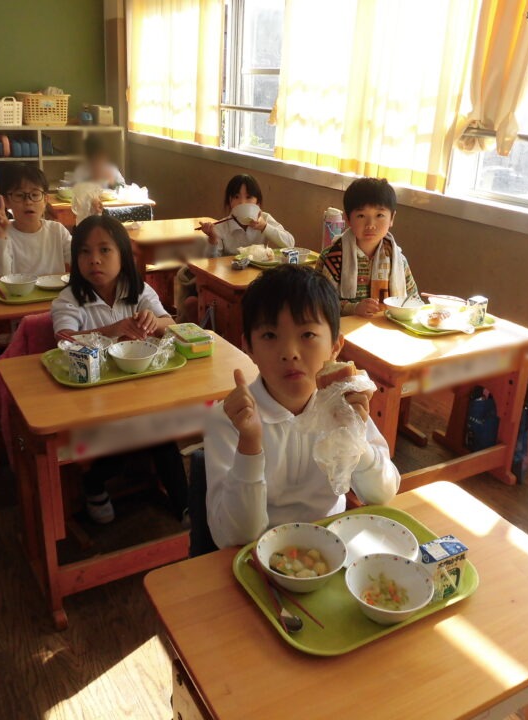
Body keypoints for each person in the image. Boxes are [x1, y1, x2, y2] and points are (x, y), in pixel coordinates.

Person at [203, 264, 400, 548]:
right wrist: (250, 444)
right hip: (259, 553)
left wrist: (354, 435)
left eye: (307, 335)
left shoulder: (341, 403)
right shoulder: (228, 420)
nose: (290, 353)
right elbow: (233, 538)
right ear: (249, 348)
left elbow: (383, 493)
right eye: (270, 336)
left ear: (335, 346)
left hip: (331, 546)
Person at [51, 215, 187, 524]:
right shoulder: (68, 300)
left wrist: (156, 322)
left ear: (123, 255)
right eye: (85, 252)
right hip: (89, 399)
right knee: (137, 433)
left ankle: (184, 504)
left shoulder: (138, 290)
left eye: (104, 250)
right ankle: (94, 482)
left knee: (158, 429)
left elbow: (171, 324)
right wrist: (112, 330)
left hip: (139, 392)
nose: (94, 260)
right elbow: (63, 341)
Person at [176, 174, 294, 323]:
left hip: (258, 282)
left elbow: (289, 242)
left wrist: (265, 227)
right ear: (230, 202)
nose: (242, 202)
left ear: (258, 202)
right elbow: (210, 264)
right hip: (226, 285)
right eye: (236, 197)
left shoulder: (265, 219)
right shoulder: (222, 226)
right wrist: (213, 239)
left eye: (249, 197)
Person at [317, 177, 419, 317]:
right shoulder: (332, 257)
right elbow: (318, 301)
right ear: (347, 218)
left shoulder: (397, 260)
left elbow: (413, 301)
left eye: (379, 215)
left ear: (392, 218)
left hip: (385, 327)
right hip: (343, 328)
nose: (370, 224)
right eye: (361, 216)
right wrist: (353, 308)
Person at [0, 164, 71, 279]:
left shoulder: (57, 230)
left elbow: (80, 260)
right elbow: (1, 277)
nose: (28, 202)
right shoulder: (0, 234)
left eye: (35, 195)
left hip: (56, 290)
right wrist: (0, 237)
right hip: (18, 291)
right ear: (6, 201)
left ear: (45, 200)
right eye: (19, 195)